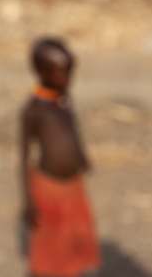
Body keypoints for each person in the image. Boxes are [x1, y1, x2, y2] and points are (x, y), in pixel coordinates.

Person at [20, 38, 100, 277]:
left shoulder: (63, 102)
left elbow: (73, 131)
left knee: (75, 239)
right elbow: (24, 157)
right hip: (48, 187)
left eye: (70, 71)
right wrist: (28, 201)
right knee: (49, 245)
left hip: (72, 185)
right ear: (43, 71)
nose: (68, 78)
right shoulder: (33, 110)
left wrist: (82, 158)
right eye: (62, 72)